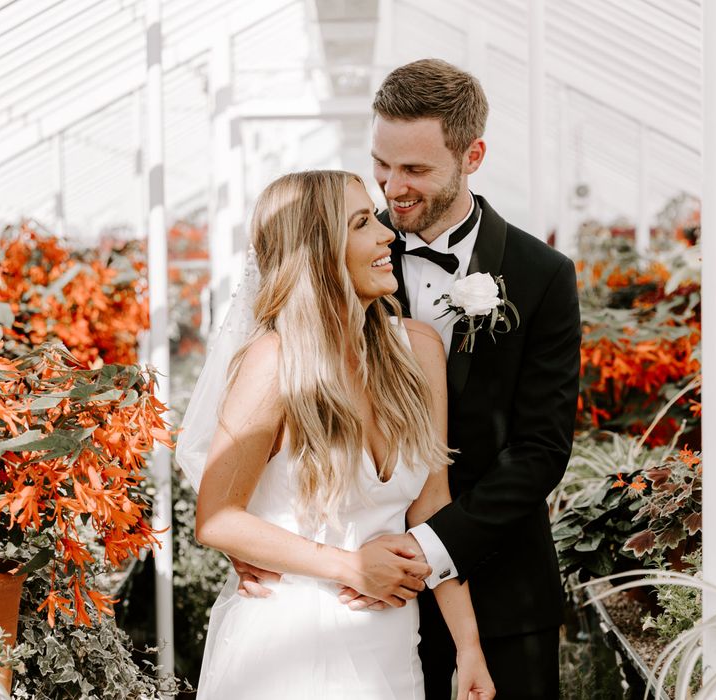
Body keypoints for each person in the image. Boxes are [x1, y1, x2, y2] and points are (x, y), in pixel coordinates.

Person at [235, 60, 581, 699]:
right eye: (382, 165)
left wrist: (430, 546)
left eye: (416, 170)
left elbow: (540, 449)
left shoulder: (542, 276)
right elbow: (253, 419)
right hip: (346, 604)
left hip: (497, 592)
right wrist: (259, 538)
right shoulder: (344, 244)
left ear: (472, 155)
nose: (393, 189)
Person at [182, 170, 495, 699]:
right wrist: (351, 566)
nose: (387, 235)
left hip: (393, 646)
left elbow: (432, 507)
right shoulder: (275, 363)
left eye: (374, 218)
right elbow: (216, 518)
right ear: (317, 251)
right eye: (361, 223)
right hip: (288, 644)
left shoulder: (419, 351)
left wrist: (468, 645)